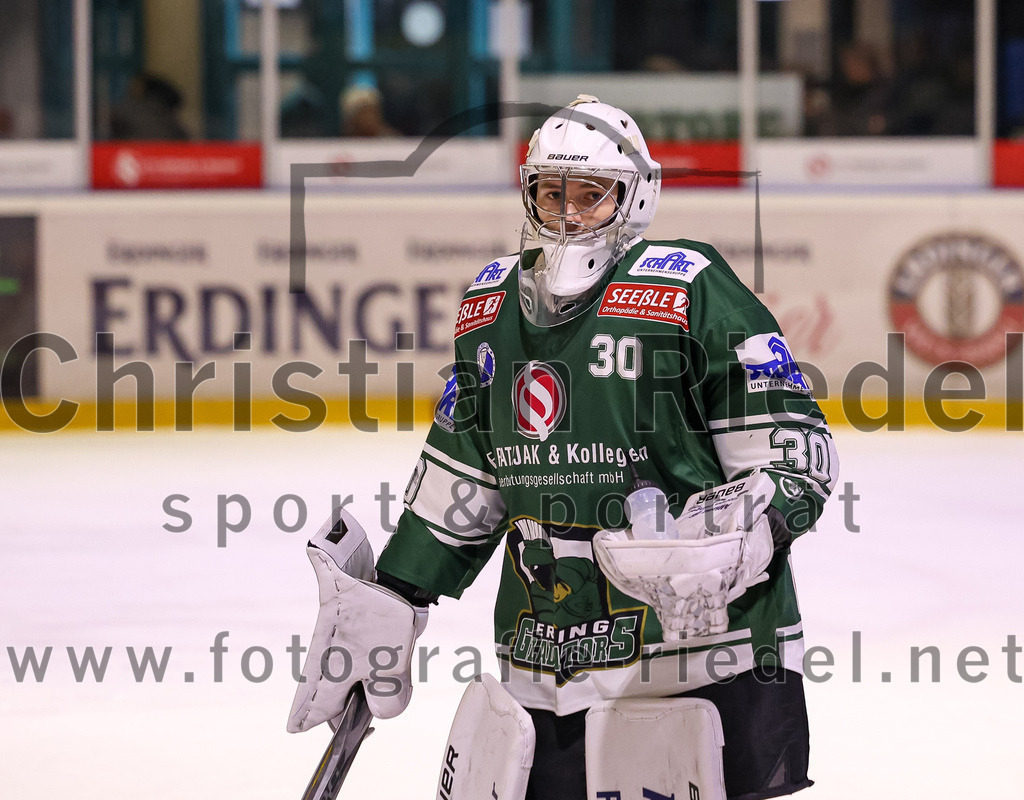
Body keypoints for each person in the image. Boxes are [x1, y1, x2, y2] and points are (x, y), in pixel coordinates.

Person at [288, 95, 839, 800]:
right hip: (545, 660)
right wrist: (396, 593)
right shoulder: (488, 308)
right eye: (552, 193)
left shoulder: (687, 287)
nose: (569, 214)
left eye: (591, 195)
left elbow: (795, 449)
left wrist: (750, 536)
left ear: (636, 196)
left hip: (705, 662)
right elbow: (465, 473)